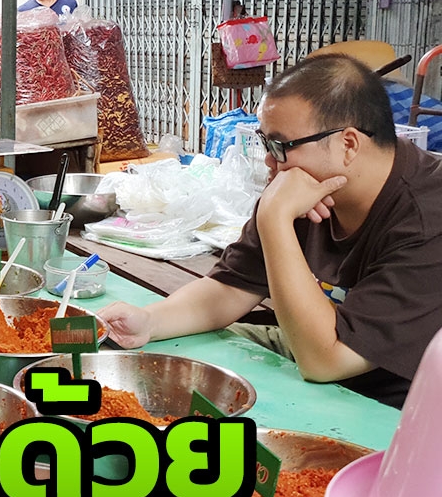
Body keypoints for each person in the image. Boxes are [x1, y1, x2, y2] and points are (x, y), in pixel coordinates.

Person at [98, 55, 442, 408]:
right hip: (311, 347)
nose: (268, 161)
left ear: (348, 144)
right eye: (265, 143)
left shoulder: (427, 217)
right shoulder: (304, 186)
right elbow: (231, 286)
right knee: (169, 365)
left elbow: (326, 361)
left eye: (280, 146)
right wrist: (150, 322)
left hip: (400, 396)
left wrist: (275, 220)